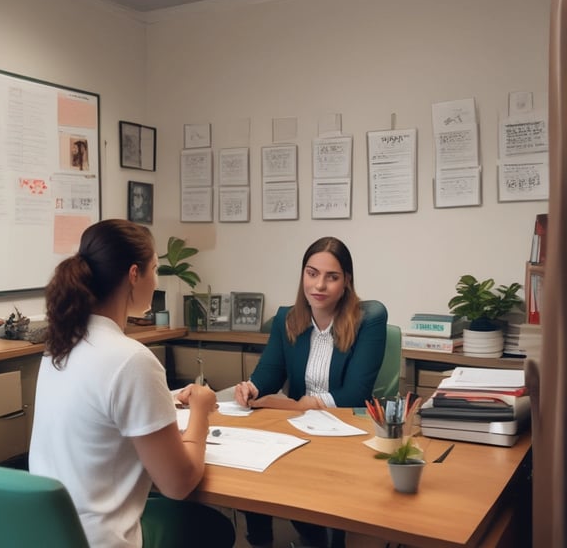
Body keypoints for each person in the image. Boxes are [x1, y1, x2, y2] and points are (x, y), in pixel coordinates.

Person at [28, 219, 235, 548]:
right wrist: (201, 411)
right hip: (99, 540)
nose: (156, 281)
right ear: (134, 275)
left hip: (50, 532)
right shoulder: (131, 359)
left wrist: (165, 398)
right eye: (155, 269)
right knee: (213, 527)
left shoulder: (62, 346)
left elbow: (99, 409)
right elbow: (178, 483)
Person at [234, 236, 387, 548]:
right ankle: (260, 540)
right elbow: (270, 371)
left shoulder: (369, 319)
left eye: (332, 277)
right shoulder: (287, 318)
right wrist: (253, 387)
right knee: (251, 464)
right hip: (299, 424)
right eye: (312, 273)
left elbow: (357, 392)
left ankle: (322, 537)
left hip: (346, 428)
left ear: (347, 281)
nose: (319, 285)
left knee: (319, 489)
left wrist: (312, 402)